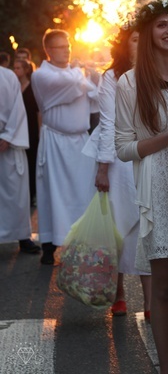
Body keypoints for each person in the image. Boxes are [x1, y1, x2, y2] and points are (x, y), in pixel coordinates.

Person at [115, 0, 168, 374]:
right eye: (162, 24)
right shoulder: (130, 83)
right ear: (148, 32)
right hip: (157, 187)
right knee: (163, 287)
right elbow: (123, 148)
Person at [82, 27, 152, 319]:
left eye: (143, 39)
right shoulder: (112, 77)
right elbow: (108, 124)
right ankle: (119, 294)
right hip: (119, 159)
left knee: (148, 227)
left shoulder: (157, 72)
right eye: (135, 39)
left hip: (150, 154)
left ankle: (151, 303)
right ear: (125, 44)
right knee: (118, 227)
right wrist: (103, 168)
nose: (140, 43)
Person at [31, 28, 100, 265]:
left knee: (83, 192)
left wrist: (93, 77)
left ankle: (82, 243)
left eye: (68, 46)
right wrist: (84, 73)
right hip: (56, 142)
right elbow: (71, 85)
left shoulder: (75, 74)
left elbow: (96, 97)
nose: (67, 50)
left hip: (80, 141)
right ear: (48, 51)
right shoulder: (41, 75)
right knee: (54, 194)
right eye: (61, 47)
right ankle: (50, 246)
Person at [0, 66, 40, 253]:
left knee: (16, 194)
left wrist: (8, 137)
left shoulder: (8, 76)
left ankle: (22, 235)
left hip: (9, 142)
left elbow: (18, 110)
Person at [13, 58, 40, 206]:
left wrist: (40, 131)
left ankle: (32, 195)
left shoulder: (32, 87)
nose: (16, 71)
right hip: (18, 129)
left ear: (26, 70)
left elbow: (38, 112)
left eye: (18, 68)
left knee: (32, 162)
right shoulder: (14, 86)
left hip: (31, 129)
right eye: (14, 68)